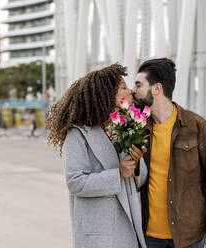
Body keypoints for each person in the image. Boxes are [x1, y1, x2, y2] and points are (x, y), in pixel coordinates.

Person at [132, 58, 206, 248]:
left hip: (189, 236)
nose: (133, 91)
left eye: (138, 84)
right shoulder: (138, 129)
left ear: (156, 89)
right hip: (148, 236)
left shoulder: (197, 127)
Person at [46, 64, 148, 248]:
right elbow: (75, 182)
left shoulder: (125, 128)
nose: (131, 91)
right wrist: (117, 175)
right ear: (108, 95)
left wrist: (137, 163)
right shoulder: (78, 134)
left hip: (129, 229)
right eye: (123, 88)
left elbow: (137, 184)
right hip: (100, 235)